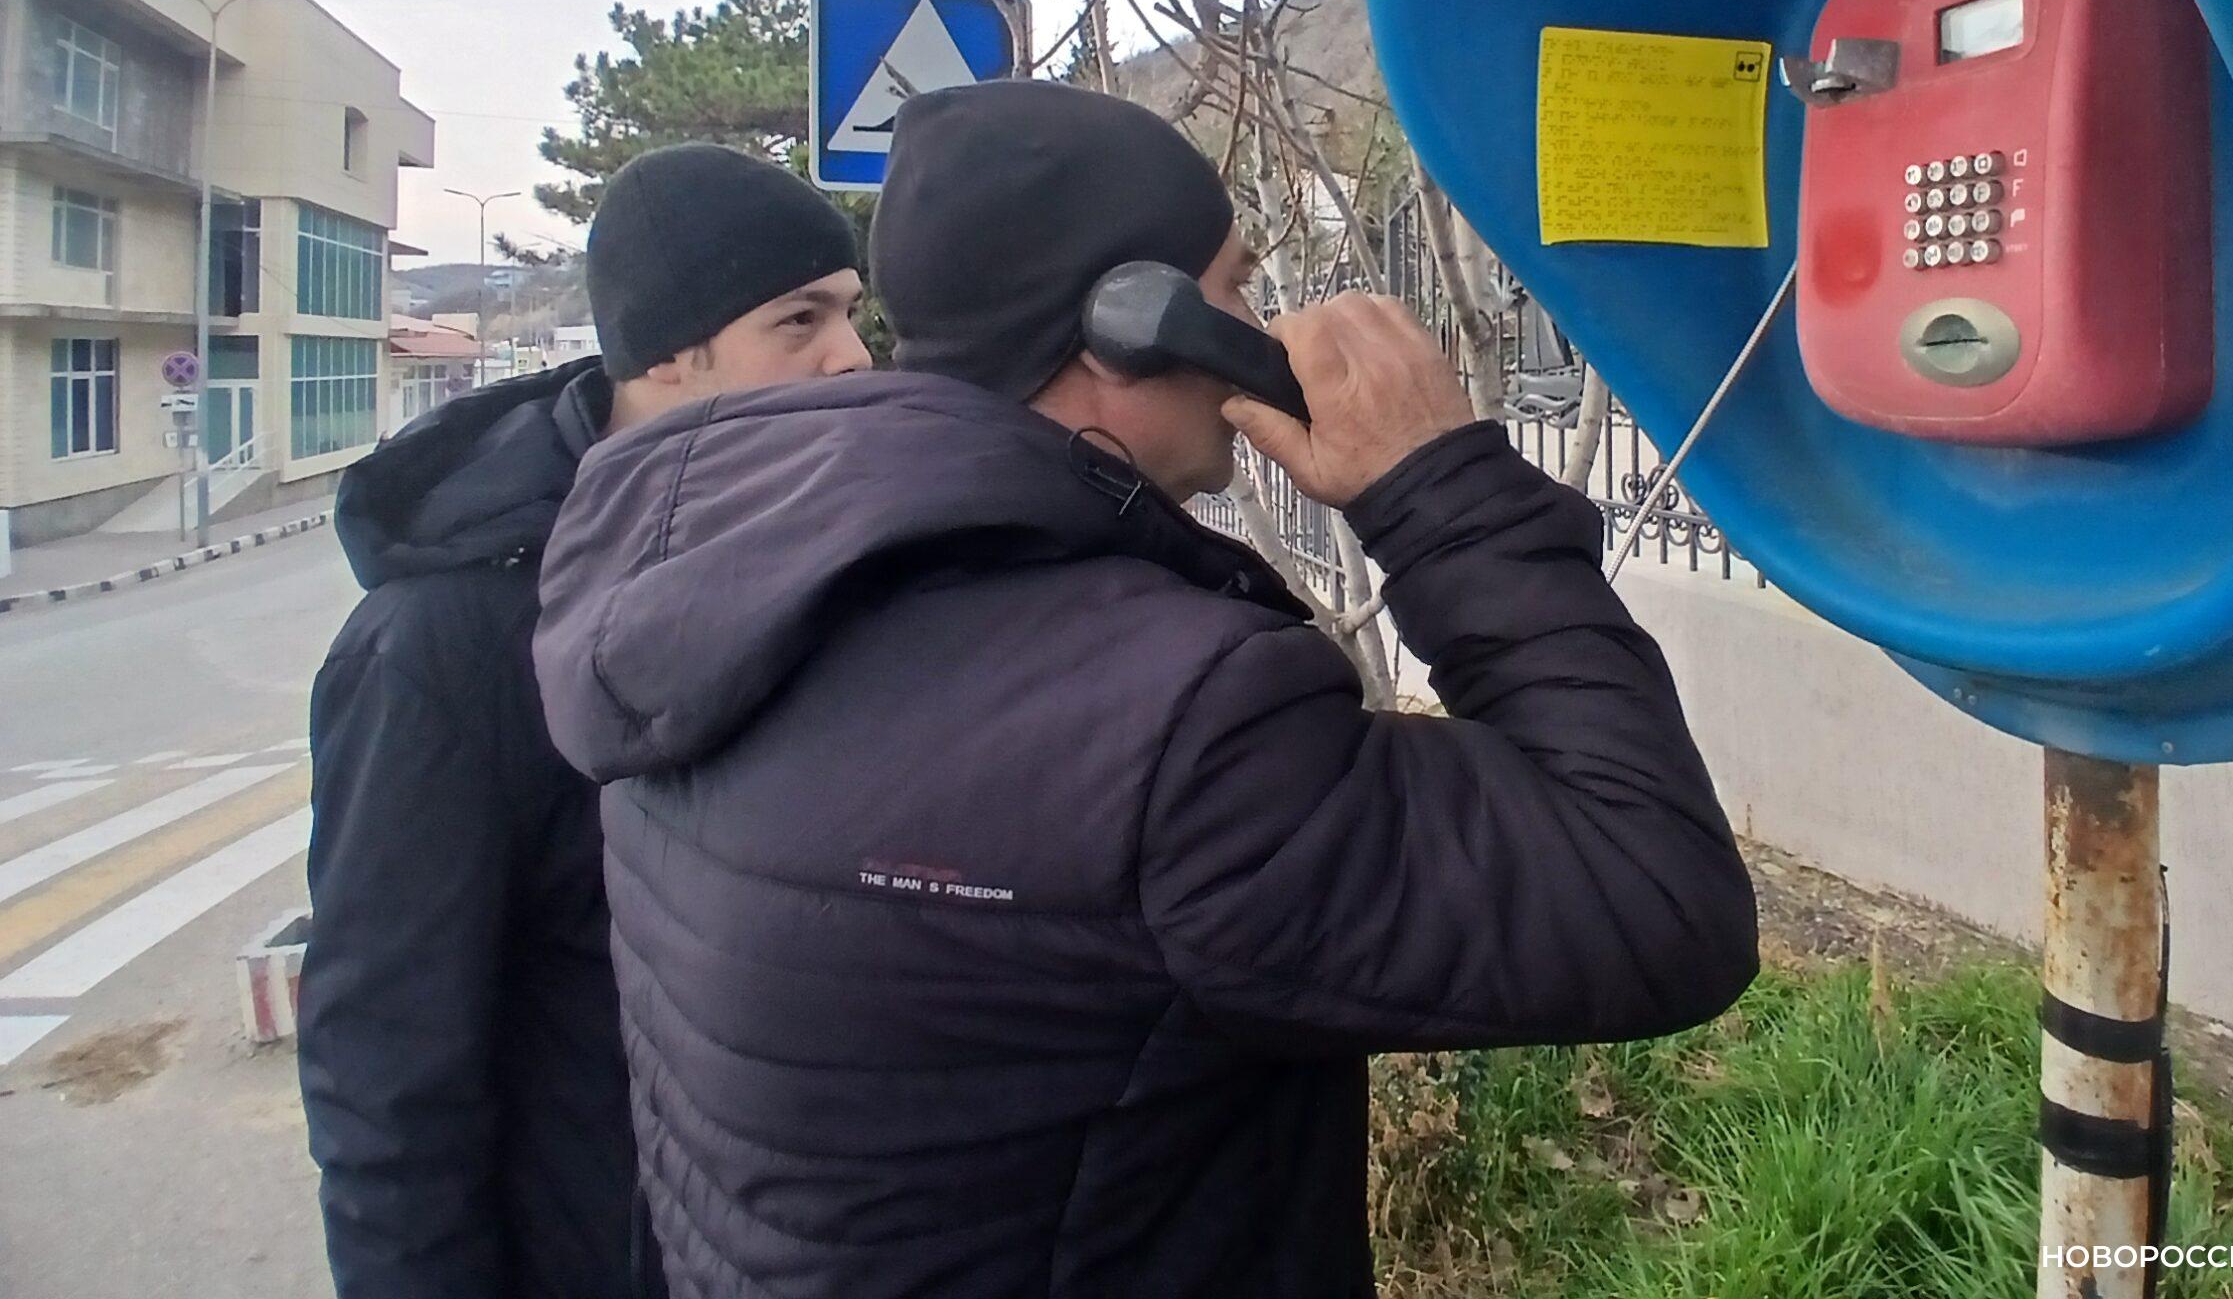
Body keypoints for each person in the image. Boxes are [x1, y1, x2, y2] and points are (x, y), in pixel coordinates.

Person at [533, 84, 1759, 1299]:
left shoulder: (709, 602)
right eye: (1230, 290)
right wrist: (1439, 492)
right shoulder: (1171, 722)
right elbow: (1650, 898)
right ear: (1133, 323)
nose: (1263, 329)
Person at [299, 144, 872, 1299]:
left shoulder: (818, 563)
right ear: (669, 349)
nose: (853, 356)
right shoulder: (443, 647)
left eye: (854, 313)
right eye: (800, 320)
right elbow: (388, 1075)